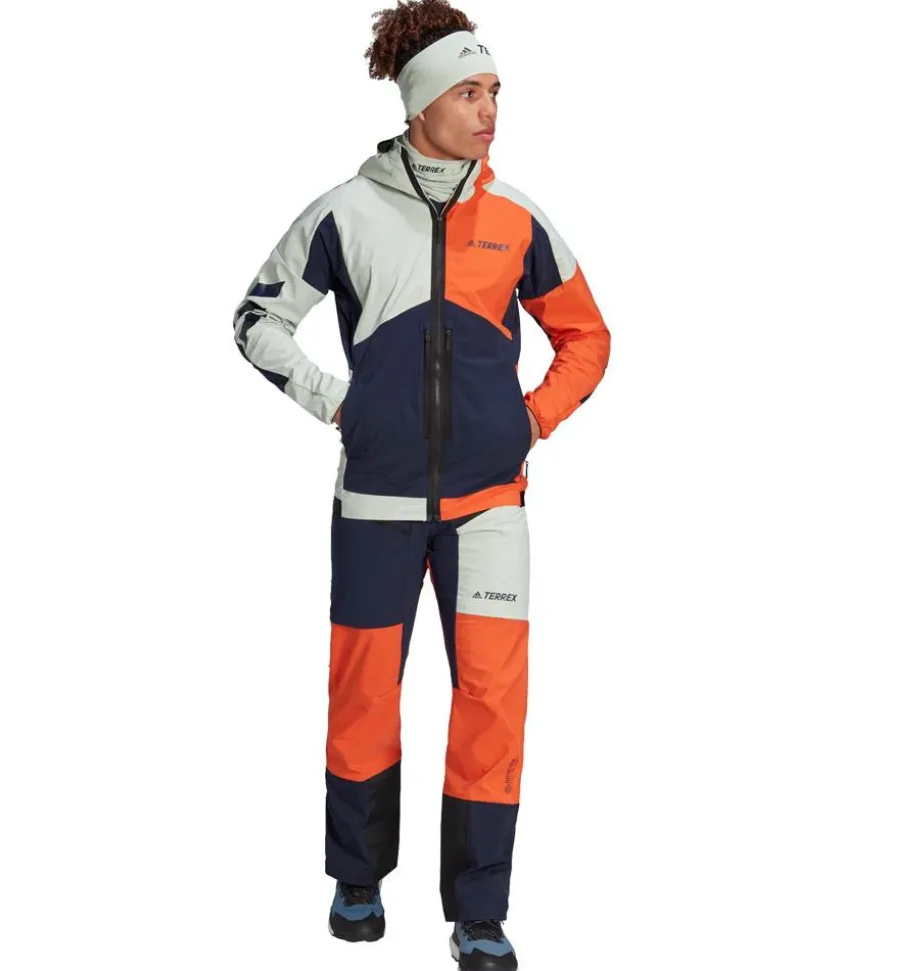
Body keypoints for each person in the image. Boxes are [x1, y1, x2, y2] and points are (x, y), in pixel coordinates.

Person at [231, 1, 611, 966]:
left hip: (491, 508)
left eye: (495, 93)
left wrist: (530, 420)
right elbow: (256, 320)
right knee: (364, 692)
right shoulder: (343, 214)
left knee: (492, 699)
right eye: (470, 92)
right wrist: (336, 402)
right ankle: (357, 878)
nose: (490, 112)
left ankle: (479, 911)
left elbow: (587, 336)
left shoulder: (518, 217)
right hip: (375, 505)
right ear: (420, 103)